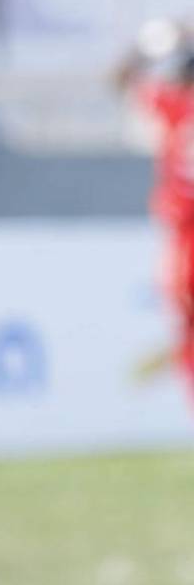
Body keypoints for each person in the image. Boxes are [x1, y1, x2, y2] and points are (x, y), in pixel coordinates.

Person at [118, 25, 194, 402]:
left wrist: (142, 51)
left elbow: (125, 83)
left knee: (187, 323)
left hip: (186, 234)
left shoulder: (174, 106)